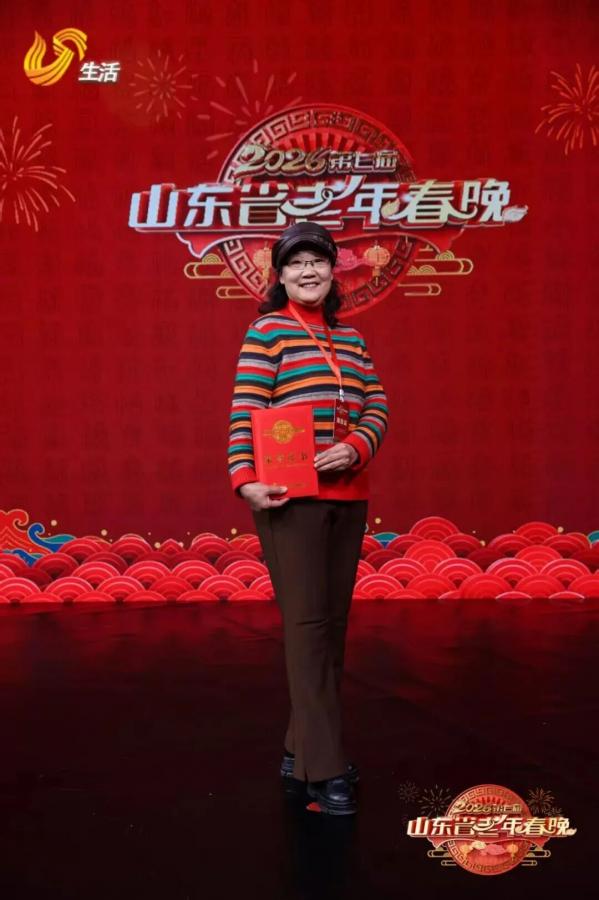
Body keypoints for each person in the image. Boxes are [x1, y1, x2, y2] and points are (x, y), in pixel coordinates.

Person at [227, 222, 389, 815]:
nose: (308, 272)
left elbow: (377, 404)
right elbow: (246, 409)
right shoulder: (267, 331)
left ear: (332, 270)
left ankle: (300, 749)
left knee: (331, 628)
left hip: (348, 496)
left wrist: (357, 447)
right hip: (289, 498)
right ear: (280, 275)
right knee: (307, 628)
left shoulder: (352, 339)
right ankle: (324, 767)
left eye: (317, 261)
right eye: (295, 263)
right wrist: (244, 478)